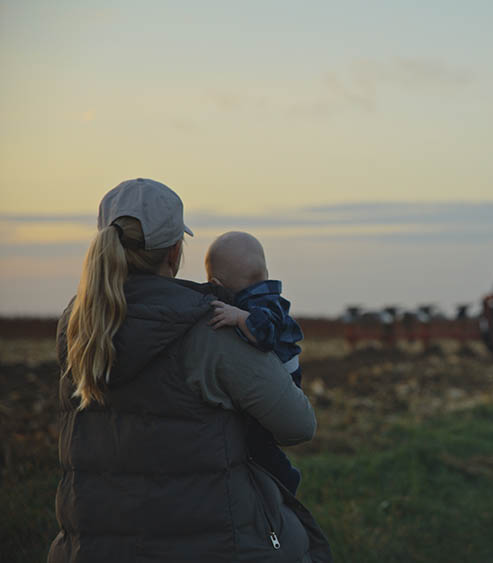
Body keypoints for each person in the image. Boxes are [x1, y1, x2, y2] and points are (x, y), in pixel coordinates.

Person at [48, 178, 332, 562]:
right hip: (214, 546)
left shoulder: (78, 327)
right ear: (175, 252)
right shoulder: (208, 328)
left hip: (88, 549)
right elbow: (298, 425)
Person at [205, 231, 305, 494]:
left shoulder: (261, 305)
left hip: (286, 376)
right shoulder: (261, 297)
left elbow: (265, 335)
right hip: (283, 372)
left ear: (215, 283)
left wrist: (238, 317)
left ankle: (285, 479)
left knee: (259, 441)